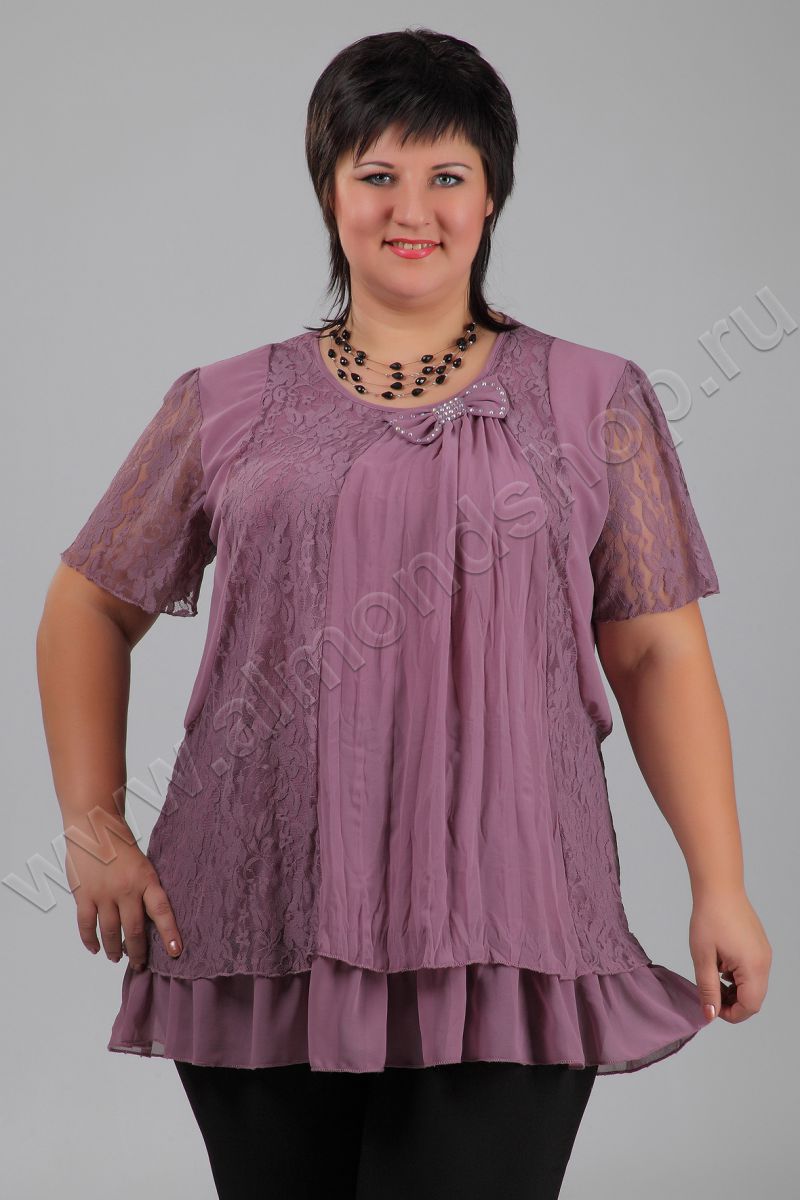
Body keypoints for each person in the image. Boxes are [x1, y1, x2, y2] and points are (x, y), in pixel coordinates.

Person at [37, 27, 772, 1200]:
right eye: (376, 173)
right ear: (329, 191)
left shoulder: (594, 398)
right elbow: (86, 603)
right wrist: (91, 826)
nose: (410, 208)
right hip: (255, 919)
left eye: (446, 175)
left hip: (512, 923)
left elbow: (652, 653)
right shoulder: (223, 402)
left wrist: (717, 883)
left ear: (491, 196)